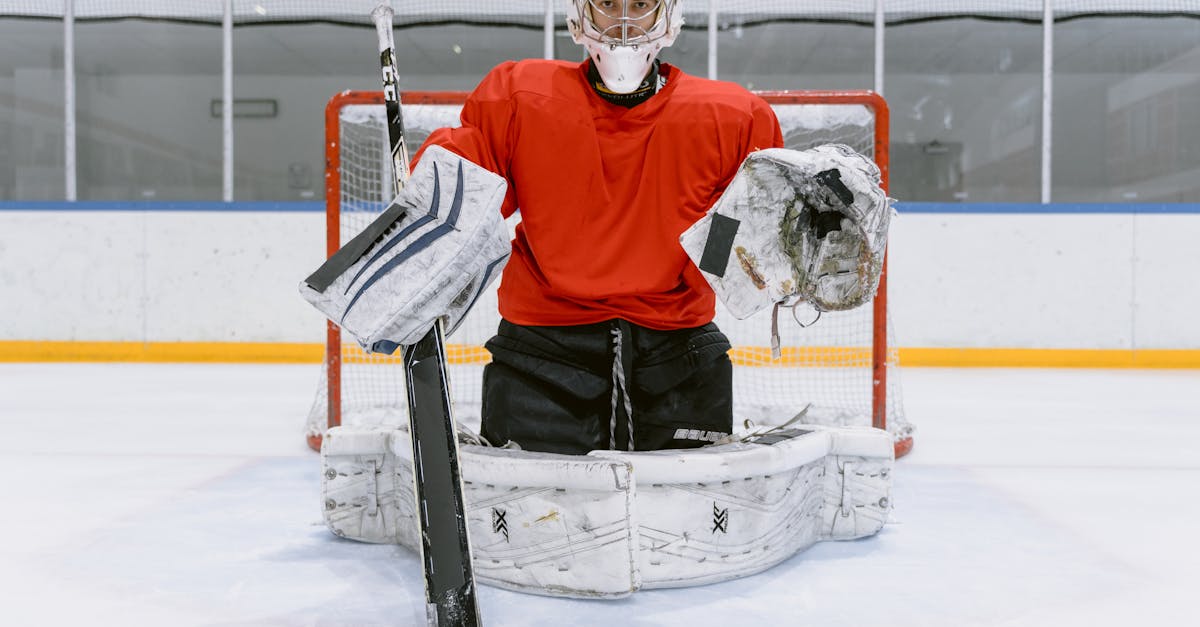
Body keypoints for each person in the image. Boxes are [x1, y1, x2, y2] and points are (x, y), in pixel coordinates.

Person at [412, 0, 783, 455]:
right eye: (608, 3)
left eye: (640, 4)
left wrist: (802, 229)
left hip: (677, 351)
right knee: (535, 497)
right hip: (540, 350)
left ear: (667, 16)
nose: (624, 21)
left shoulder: (734, 118)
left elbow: (740, 236)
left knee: (683, 495)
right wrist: (427, 186)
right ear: (580, 13)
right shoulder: (519, 97)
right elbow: (470, 182)